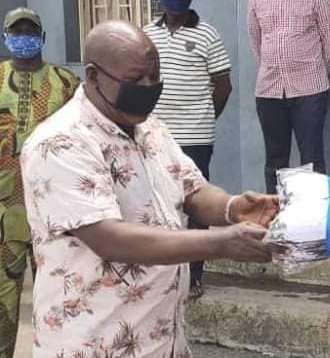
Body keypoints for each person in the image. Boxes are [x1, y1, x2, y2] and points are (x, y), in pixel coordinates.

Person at [21, 21, 277, 357]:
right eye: (135, 79)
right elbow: (109, 238)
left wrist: (234, 209)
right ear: (93, 75)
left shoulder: (149, 127)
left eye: (154, 76)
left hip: (160, 339)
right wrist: (222, 243)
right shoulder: (61, 142)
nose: (148, 87)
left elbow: (191, 190)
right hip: (95, 342)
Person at [144, 0, 233, 298]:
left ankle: (194, 274)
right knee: (156, 203)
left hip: (195, 136)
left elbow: (223, 86)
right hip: (154, 136)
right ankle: (162, 272)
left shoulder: (208, 34)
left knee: (195, 205)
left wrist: (204, 117)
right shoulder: (147, 34)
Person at [0, 7, 79, 358]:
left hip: (53, 210)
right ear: (6, 37)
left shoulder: (67, 83)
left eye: (30, 31)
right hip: (4, 211)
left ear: (42, 37)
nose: (23, 37)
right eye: (16, 31)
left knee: (59, 298)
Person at [247, 0, 330, 194]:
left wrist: (315, 71)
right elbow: (255, 40)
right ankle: (275, 209)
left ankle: (314, 210)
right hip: (269, 90)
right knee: (275, 159)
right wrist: (273, 66)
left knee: (312, 157)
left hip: (309, 90)